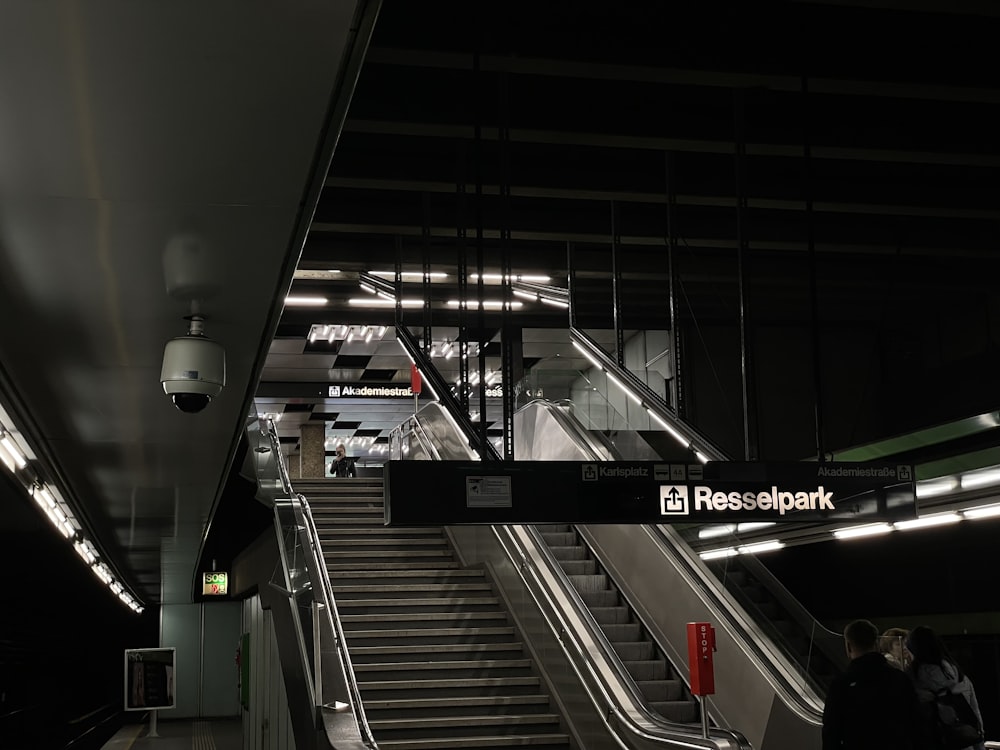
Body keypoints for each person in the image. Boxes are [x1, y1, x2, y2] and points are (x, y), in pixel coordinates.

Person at [822, 619, 928, 749]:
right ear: (877, 644)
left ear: (848, 647)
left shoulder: (841, 684)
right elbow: (917, 723)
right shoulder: (899, 678)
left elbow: (831, 731)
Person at [906, 626, 985, 750]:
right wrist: (979, 744)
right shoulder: (960, 676)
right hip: (963, 742)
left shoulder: (912, 680)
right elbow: (975, 715)